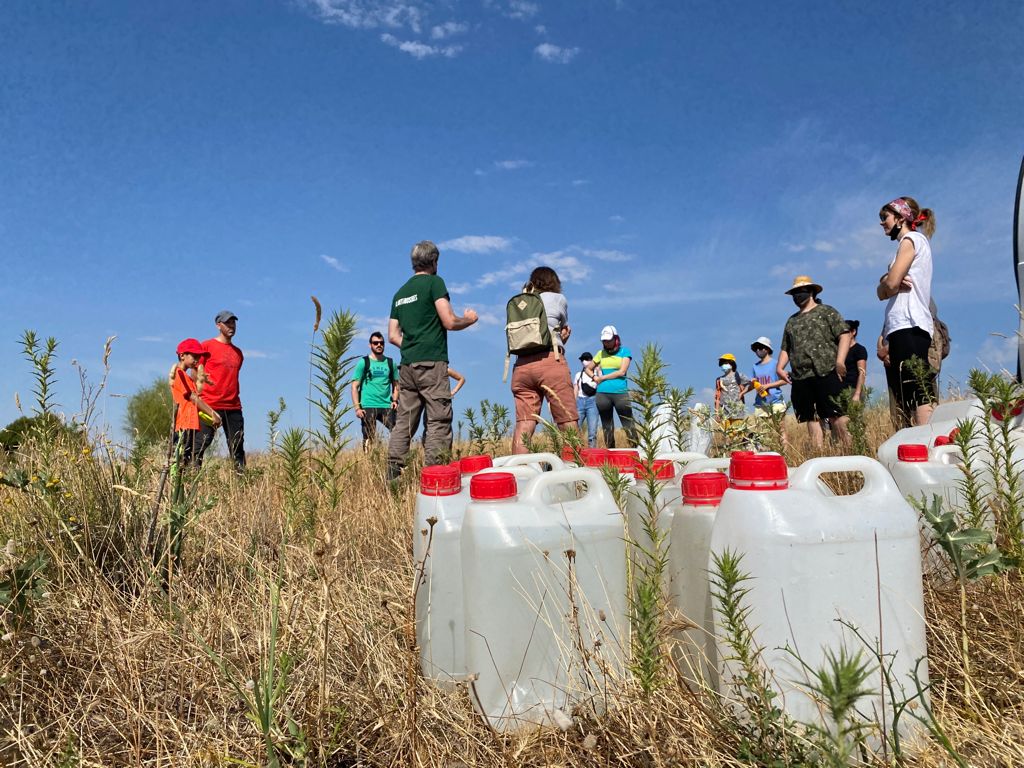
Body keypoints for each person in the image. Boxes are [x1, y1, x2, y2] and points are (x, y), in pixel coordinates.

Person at [387, 240, 477, 478]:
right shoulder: (435, 283)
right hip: (432, 363)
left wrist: (413, 346)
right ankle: (435, 480)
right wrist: (469, 319)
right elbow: (449, 321)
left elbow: (392, 335)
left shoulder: (400, 294)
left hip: (407, 365)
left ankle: (393, 476)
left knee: (404, 422)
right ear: (435, 261)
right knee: (438, 419)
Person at [876, 196, 936, 426]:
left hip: (909, 323)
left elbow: (889, 286)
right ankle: (918, 441)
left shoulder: (910, 240)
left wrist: (888, 283)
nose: (882, 223)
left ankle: (925, 442)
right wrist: (887, 283)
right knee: (908, 391)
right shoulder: (911, 242)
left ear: (901, 218)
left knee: (917, 388)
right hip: (903, 325)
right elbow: (884, 288)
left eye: (885, 217)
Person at [776, 276, 852, 448]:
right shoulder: (792, 321)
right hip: (801, 376)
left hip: (826, 370)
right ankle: (818, 454)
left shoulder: (826, 312)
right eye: (794, 293)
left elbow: (844, 335)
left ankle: (852, 451)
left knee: (837, 414)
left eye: (800, 292)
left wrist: (840, 361)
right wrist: (780, 367)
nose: (797, 296)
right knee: (811, 417)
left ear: (811, 291)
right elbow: (786, 347)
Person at [509, 266, 577, 453]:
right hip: (550, 360)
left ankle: (519, 474)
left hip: (521, 366)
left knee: (524, 424)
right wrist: (563, 339)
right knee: (567, 420)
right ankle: (574, 475)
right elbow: (560, 327)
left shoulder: (522, 301)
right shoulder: (558, 299)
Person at [196, 310, 245, 470]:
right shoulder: (206, 346)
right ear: (218, 325)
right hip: (209, 404)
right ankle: (190, 480)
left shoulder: (238, 353)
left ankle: (241, 483)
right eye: (227, 323)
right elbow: (196, 372)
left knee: (237, 446)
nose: (231, 326)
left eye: (233, 322)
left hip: (233, 406)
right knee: (201, 443)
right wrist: (198, 398)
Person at [168, 338, 220, 466]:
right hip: (183, 424)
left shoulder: (188, 378)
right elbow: (192, 397)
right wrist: (213, 413)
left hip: (190, 424)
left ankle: (186, 483)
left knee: (188, 459)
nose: (197, 360)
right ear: (182, 355)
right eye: (194, 356)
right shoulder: (179, 374)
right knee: (180, 461)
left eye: (198, 356)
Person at [588, 325, 637, 448]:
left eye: (608, 340)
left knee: (628, 424)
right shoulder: (600, 353)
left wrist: (602, 378)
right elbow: (588, 369)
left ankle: (637, 452)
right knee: (607, 427)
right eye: (604, 340)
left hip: (620, 393)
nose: (606, 342)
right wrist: (594, 378)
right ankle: (611, 454)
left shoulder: (625, 352)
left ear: (616, 338)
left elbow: (621, 371)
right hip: (602, 394)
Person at [350, 331, 399, 450]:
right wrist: (357, 408)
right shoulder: (364, 362)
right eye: (375, 343)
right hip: (368, 405)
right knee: (369, 437)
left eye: (381, 343)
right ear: (370, 345)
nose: (379, 345)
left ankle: (398, 460)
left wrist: (395, 401)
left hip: (386, 405)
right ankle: (368, 463)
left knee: (399, 432)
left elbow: (397, 385)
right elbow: (354, 387)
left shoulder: (391, 363)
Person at [748, 337, 787, 418]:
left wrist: (767, 386)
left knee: (780, 429)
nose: (758, 350)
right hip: (760, 403)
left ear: (767, 349)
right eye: (756, 348)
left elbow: (784, 381)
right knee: (763, 430)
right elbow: (752, 386)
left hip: (776, 401)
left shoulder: (776, 364)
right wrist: (750, 385)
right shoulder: (755, 366)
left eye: (760, 348)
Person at [714, 353, 750, 419]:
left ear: (732, 363)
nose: (723, 365)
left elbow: (749, 384)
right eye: (722, 363)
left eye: (725, 363)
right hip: (724, 413)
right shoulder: (719, 380)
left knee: (737, 429)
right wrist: (717, 412)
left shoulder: (739, 376)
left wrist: (742, 393)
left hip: (738, 412)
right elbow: (717, 397)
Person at [574, 352, 599, 447]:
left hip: (593, 402)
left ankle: (592, 454)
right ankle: (576, 451)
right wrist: (573, 403)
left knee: (592, 432)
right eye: (582, 360)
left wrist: (597, 368)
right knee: (575, 429)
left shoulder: (597, 373)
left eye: (587, 359)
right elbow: (576, 389)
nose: (584, 361)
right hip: (580, 401)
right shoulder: (578, 375)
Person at [841, 321, 868, 403]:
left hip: (853, 389)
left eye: (846, 332)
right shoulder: (839, 351)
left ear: (853, 332)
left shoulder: (859, 349)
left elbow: (862, 373)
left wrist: (857, 393)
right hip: (840, 390)